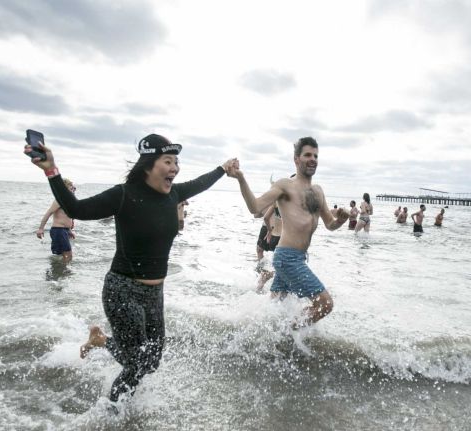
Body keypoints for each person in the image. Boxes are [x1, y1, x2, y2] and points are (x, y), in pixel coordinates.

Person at [26, 133, 235, 404]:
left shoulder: (175, 194)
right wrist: (52, 171)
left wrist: (222, 168)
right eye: (168, 161)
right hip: (122, 289)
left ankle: (101, 342)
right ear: (148, 165)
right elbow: (76, 208)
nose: (175, 168)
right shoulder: (123, 195)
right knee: (136, 364)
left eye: (176, 162)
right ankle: (112, 413)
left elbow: (200, 183)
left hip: (155, 293)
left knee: (151, 362)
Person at [226, 137, 350, 327]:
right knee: (325, 304)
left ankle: (260, 333)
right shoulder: (285, 186)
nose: (313, 159)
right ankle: (290, 331)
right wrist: (241, 179)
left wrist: (340, 220)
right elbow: (255, 207)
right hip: (286, 258)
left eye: (315, 155)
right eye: (307, 154)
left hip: (298, 258)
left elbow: (330, 225)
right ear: (296, 159)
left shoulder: (318, 191)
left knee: (275, 305)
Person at [37, 178, 76, 263]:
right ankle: (64, 273)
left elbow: (66, 217)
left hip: (63, 231)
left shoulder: (67, 201)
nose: (73, 190)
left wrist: (69, 230)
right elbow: (48, 213)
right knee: (68, 255)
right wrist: (41, 229)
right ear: (64, 188)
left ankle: (59, 272)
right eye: (71, 188)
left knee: (61, 256)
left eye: (74, 188)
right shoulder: (59, 200)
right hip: (59, 231)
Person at [256, 202, 282, 292]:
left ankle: (269, 274)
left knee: (280, 257)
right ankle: (265, 273)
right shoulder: (271, 196)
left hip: (278, 228)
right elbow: (257, 214)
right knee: (259, 250)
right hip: (268, 226)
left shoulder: (280, 197)